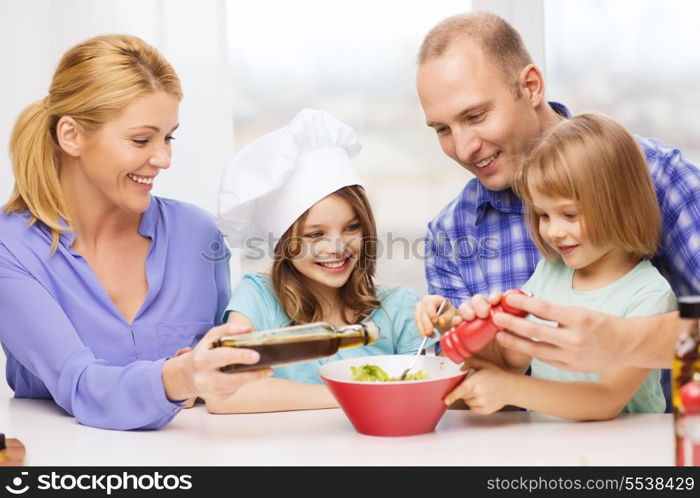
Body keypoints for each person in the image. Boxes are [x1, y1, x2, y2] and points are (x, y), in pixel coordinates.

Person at [0, 35, 271, 431]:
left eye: (168, 137)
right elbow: (79, 384)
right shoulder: (12, 248)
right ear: (71, 135)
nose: (163, 159)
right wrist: (181, 375)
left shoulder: (198, 236)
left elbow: (224, 374)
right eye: (141, 139)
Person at [413, 12, 700, 376]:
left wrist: (620, 338)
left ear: (531, 86)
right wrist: (459, 337)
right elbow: (476, 388)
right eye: (442, 129)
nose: (463, 148)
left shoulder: (656, 175)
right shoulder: (450, 234)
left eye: (476, 116)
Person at [443, 113, 676, 419]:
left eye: (569, 214)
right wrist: (476, 334)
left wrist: (510, 389)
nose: (553, 232)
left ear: (621, 206)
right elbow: (513, 358)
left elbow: (606, 400)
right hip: (551, 449)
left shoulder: (648, 294)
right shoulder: (550, 273)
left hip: (619, 453)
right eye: (543, 215)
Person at [209, 109, 433, 413]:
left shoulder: (399, 308)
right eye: (316, 234)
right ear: (284, 243)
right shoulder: (258, 298)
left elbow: (424, 394)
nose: (337, 247)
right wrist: (353, 397)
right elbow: (223, 392)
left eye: (352, 227)